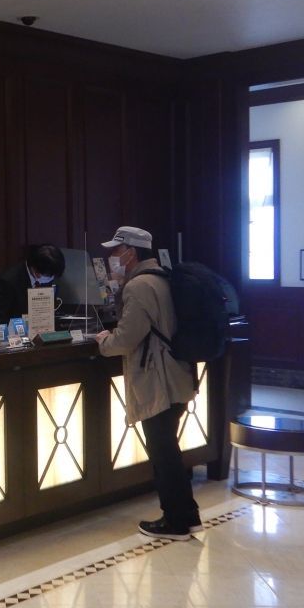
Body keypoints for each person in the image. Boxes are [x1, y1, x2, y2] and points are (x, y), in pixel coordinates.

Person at [94, 226, 201, 541]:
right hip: (177, 375)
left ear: (131, 252)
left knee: (162, 453)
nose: (112, 258)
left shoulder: (139, 286)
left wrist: (104, 341)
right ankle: (187, 516)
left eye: (116, 251)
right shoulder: (162, 277)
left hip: (159, 381)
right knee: (168, 450)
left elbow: (127, 338)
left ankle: (176, 523)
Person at [0, 244, 66, 325]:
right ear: (34, 269)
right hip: (15, 330)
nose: (51, 278)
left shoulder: (47, 272)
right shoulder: (7, 282)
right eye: (48, 276)